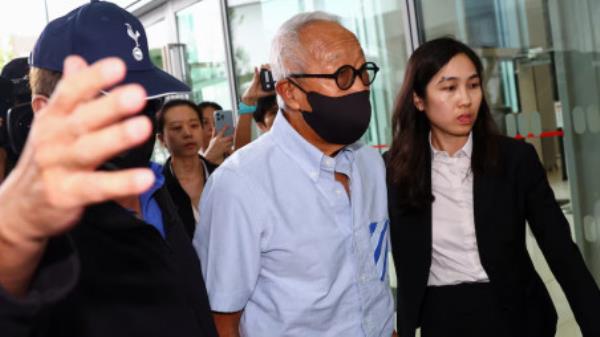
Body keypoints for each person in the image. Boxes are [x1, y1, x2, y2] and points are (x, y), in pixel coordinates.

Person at [0, 2, 217, 336]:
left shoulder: (155, 187)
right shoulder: (40, 232)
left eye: (148, 102)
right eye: (114, 102)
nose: (138, 119)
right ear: (45, 111)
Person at [194, 11, 395, 337]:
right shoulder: (241, 185)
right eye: (343, 76)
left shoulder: (369, 164)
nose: (359, 87)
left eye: (363, 72)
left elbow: (371, 287)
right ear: (290, 92)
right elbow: (221, 319)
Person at [385, 37, 600, 337]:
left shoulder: (514, 159)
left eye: (473, 85)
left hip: (516, 315)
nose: (465, 99)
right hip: (441, 317)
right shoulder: (393, 170)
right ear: (418, 100)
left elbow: (560, 249)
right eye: (449, 88)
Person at [157, 99, 218, 238]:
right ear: (162, 139)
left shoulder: (223, 175)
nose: (187, 133)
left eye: (194, 125)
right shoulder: (158, 187)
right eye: (177, 128)